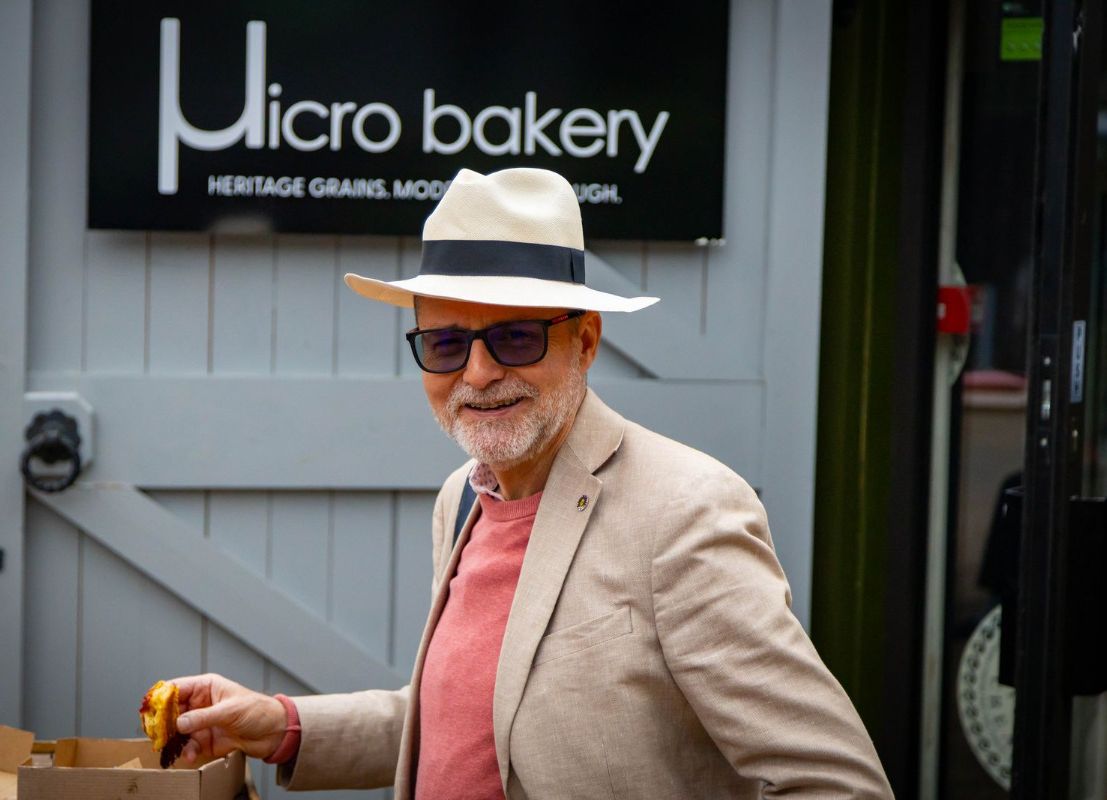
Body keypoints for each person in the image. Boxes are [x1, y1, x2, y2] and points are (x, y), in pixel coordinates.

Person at [168, 167, 894, 798]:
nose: (479, 373)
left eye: (515, 337)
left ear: (584, 341)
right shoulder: (463, 498)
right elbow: (473, 720)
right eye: (446, 343)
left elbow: (833, 780)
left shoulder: (683, 509)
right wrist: (281, 726)